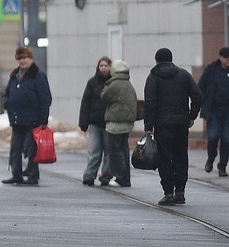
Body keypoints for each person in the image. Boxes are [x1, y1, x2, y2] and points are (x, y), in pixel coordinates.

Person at [144, 47, 202, 206]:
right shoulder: (184, 75)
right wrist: (191, 116)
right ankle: (180, 192)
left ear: (156, 60)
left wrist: (148, 125)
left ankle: (168, 192)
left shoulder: (153, 77)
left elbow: (150, 103)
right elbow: (197, 96)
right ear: (171, 59)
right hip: (181, 123)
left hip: (162, 125)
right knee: (180, 157)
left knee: (164, 157)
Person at [1, 46, 51, 186]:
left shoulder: (38, 76)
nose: (22, 61)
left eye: (24, 58)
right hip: (17, 119)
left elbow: (45, 99)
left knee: (31, 148)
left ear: (30, 59)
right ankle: (16, 174)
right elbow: (7, 93)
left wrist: (43, 120)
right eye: (20, 59)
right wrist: (8, 103)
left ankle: (33, 175)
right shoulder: (14, 76)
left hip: (33, 119)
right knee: (15, 148)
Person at [100, 59, 138, 187]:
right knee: (124, 150)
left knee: (115, 151)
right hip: (126, 123)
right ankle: (126, 177)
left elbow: (104, 96)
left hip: (115, 123)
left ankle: (120, 177)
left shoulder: (114, 84)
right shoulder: (128, 83)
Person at [78, 56, 113, 186]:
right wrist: (83, 122)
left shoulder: (113, 82)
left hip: (109, 122)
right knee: (94, 151)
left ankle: (106, 176)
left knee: (109, 153)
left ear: (110, 67)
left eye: (106, 66)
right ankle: (89, 175)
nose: (103, 68)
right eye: (101, 66)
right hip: (95, 122)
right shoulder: (92, 83)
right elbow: (85, 103)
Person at [197, 46, 229, 176]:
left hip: (228, 112)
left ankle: (222, 166)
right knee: (213, 136)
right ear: (221, 58)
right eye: (226, 58)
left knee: (227, 139)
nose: (228, 61)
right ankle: (211, 157)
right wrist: (204, 103)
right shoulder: (211, 70)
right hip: (214, 111)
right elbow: (201, 87)